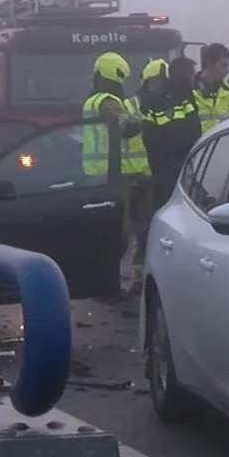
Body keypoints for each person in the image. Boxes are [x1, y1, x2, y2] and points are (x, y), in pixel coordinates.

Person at [82, 53, 149, 290]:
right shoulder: (108, 102)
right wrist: (145, 119)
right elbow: (127, 127)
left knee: (107, 231)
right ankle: (123, 282)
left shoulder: (93, 100)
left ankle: (109, 278)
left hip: (96, 174)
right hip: (114, 176)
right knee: (124, 232)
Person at [139, 56, 204, 210]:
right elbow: (189, 134)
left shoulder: (182, 99)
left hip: (169, 173)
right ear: (184, 76)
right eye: (191, 75)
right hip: (171, 174)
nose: (194, 79)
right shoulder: (177, 101)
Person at [192, 43, 229, 132]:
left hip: (220, 145)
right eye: (223, 66)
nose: (227, 71)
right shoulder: (191, 90)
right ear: (210, 64)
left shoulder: (228, 92)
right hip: (198, 145)